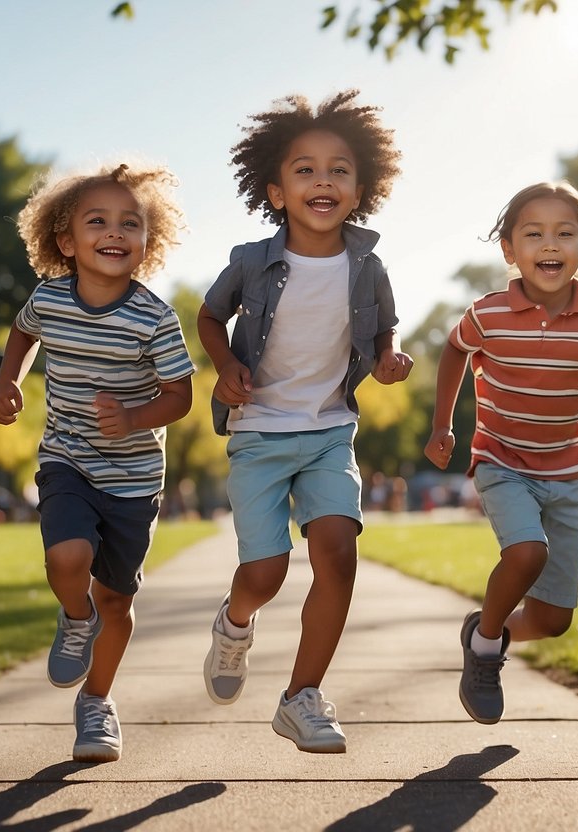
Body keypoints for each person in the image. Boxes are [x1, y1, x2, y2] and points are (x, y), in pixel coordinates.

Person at [197, 90, 412, 754]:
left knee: (338, 557)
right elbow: (209, 317)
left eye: (339, 169)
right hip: (259, 432)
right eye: (305, 169)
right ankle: (234, 627)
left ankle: (301, 696)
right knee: (265, 575)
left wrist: (386, 361)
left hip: (327, 432)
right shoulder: (251, 261)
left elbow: (384, 332)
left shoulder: (367, 267)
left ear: (360, 187)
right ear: (276, 190)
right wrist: (224, 362)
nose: (323, 180)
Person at [423, 180, 578, 725]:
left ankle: (484, 628)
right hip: (501, 459)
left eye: (565, 233)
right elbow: (453, 351)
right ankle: (487, 651)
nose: (550, 243)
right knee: (526, 553)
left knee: (552, 618)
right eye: (533, 233)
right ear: (510, 250)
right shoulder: (488, 315)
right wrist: (443, 423)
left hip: (568, 473)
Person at [0, 161, 195, 763]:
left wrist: (133, 419)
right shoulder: (49, 298)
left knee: (118, 603)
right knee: (67, 556)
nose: (114, 231)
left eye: (130, 223)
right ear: (65, 240)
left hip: (133, 481)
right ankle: (73, 618)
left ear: (146, 243)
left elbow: (179, 396)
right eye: (97, 220)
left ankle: (96, 702)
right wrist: (8, 383)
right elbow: (23, 334)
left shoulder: (154, 318)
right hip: (68, 460)